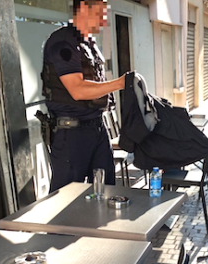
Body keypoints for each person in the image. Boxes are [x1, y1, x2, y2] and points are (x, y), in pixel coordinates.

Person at [41, 0, 126, 192]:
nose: (104, 21)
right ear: (83, 9)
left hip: (96, 128)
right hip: (71, 134)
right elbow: (77, 90)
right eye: (100, 14)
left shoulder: (88, 43)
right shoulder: (63, 42)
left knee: (105, 191)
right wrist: (120, 83)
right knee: (66, 198)